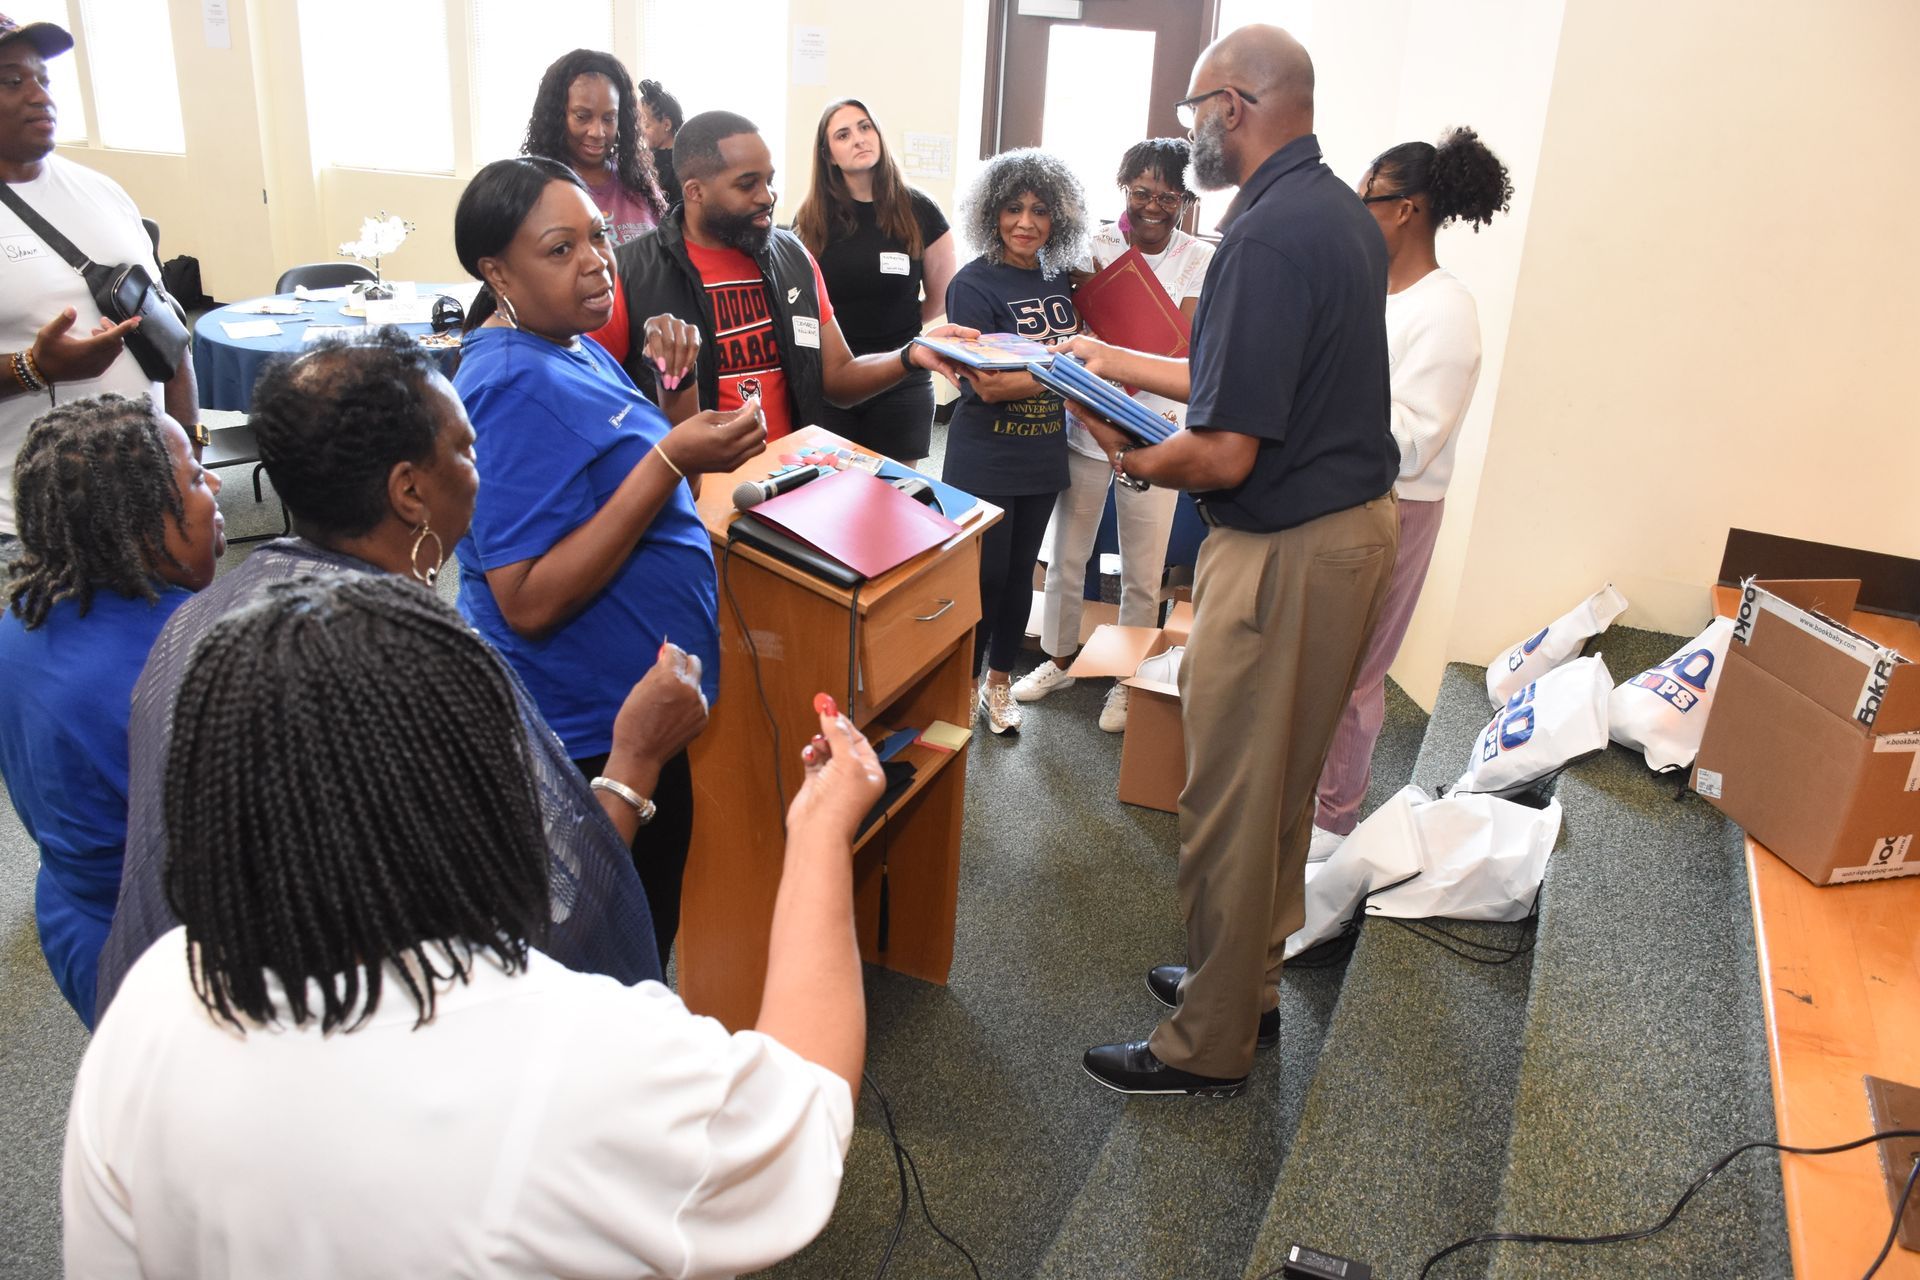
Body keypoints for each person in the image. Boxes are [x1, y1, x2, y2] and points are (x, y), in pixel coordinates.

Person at [64, 573, 882, 1279]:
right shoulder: (575, 1051)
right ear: (470, 792)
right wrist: (818, 832)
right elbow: (801, 1122)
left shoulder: (157, 997)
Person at [91, 329, 699, 1020]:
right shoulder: (421, 673)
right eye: (468, 450)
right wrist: (635, 762)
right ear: (409, 490)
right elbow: (541, 937)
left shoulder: (199, 625)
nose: (481, 469)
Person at [1076, 25, 1400, 1097]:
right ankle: (1242, 986)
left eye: (1192, 110)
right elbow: (1239, 373)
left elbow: (1223, 447)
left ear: (1236, 105)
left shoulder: (1261, 238)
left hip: (1285, 550)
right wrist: (1111, 360)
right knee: (1281, 787)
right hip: (1348, 531)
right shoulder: (1336, 214)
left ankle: (1205, 1044)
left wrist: (1131, 452)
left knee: (1226, 795)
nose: (1187, 134)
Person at [453, 155, 766, 968]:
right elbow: (525, 597)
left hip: (642, 710)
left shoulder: (569, 344)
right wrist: (665, 454)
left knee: (646, 931)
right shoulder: (506, 383)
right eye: (560, 249)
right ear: (497, 272)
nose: (595, 260)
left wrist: (678, 396)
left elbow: (673, 492)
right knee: (601, 959)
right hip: (583, 734)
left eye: (597, 236)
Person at [1310, 127, 1511, 858]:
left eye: (1369, 198)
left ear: (1407, 209)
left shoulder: (1446, 309)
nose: (1357, 210)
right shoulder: (1371, 290)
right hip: (1335, 497)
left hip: (1398, 506)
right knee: (1320, 663)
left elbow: (1414, 438)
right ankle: (1309, 803)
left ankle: (1333, 824)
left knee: (1359, 672)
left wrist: (1317, 413)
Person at [0, 395, 221, 1027]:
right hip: (176, 948)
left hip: (77, 919)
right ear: (139, 524)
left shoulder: (24, 617)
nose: (214, 487)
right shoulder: (185, 654)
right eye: (194, 478)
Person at [1012, 138, 1214, 732]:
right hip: (1088, 420)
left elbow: (1190, 345)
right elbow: (1069, 321)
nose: (1153, 206)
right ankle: (1057, 659)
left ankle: (1126, 681)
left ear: (1184, 200)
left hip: (1158, 428)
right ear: (1123, 188)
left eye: (1168, 196)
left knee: (1141, 568)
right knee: (1068, 551)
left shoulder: (1198, 258)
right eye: (1141, 192)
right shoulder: (1092, 247)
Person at [610, 110, 969, 438]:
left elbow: (839, 378)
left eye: (769, 180)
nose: (767, 196)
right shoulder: (630, 273)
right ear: (695, 192)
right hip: (693, 495)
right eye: (747, 184)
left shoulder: (793, 257)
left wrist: (911, 354)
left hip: (786, 485)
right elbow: (595, 404)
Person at [0, 13, 200, 557]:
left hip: (147, 505)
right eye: (11, 81)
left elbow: (168, 330)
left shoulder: (102, 191)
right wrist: (34, 368)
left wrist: (191, 458)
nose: (40, 96)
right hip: (26, 526)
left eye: (43, 79)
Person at [939, 148, 1088, 735]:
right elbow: (990, 388)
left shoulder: (1058, 278)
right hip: (986, 456)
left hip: (1043, 449)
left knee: (1021, 572)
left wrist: (1050, 368)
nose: (1026, 222)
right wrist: (1069, 366)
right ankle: (960, 684)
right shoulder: (973, 284)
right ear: (990, 213)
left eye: (1041, 210)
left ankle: (998, 685)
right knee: (984, 578)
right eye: (1012, 208)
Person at [792, 98, 958, 466]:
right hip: (831, 384)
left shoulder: (920, 210)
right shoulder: (811, 220)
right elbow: (801, 303)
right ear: (829, 155)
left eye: (865, 127)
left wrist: (899, 322)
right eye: (843, 134)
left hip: (902, 377)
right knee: (828, 500)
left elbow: (942, 294)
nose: (859, 139)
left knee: (896, 499)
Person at [522, 48, 667, 248]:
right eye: (582, 116)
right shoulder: (536, 189)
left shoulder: (638, 182)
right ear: (557, 116)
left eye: (609, 118)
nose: (598, 132)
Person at [638, 77, 683, 207]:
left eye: (646, 126)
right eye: (638, 126)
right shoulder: (642, 159)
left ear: (667, 124)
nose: (640, 132)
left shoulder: (681, 166)